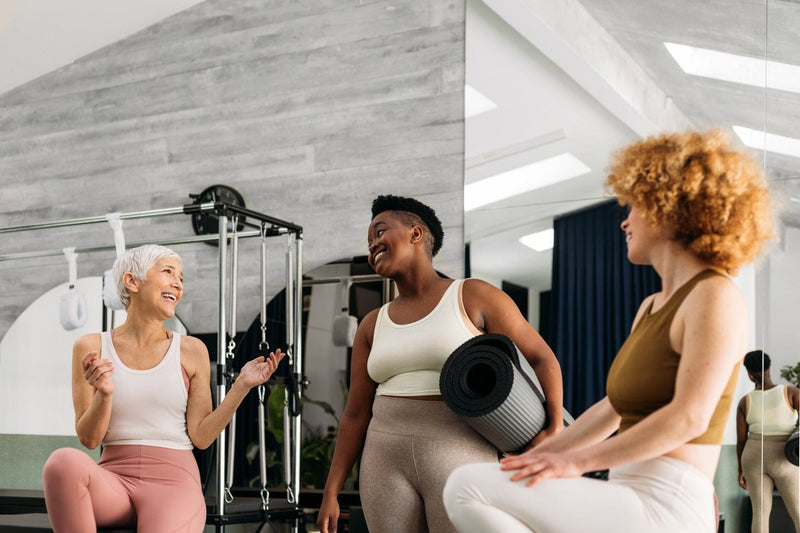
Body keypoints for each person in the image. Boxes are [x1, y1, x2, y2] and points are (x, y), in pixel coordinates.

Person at [442, 130, 774, 533]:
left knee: (466, 486)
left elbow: (689, 417)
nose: (625, 220)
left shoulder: (715, 294)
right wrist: (545, 452)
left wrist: (573, 463)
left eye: (634, 206)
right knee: (484, 483)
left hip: (669, 502)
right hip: (626, 491)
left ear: (668, 208)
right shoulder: (650, 307)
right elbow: (610, 409)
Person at [316, 195, 563, 533]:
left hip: (460, 449)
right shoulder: (372, 324)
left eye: (380, 231)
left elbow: (541, 358)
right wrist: (332, 490)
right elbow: (356, 413)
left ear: (416, 234)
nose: (372, 244)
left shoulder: (473, 295)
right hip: (383, 458)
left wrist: (554, 427)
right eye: (369, 240)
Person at [42, 244, 285, 532]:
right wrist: (104, 395)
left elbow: (202, 437)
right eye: (168, 272)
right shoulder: (91, 347)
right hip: (114, 482)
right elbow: (90, 439)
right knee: (62, 463)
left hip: (173, 483)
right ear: (132, 281)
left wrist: (242, 385)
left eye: (181, 277)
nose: (178, 283)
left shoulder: (192, 350)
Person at [736, 350, 800, 533]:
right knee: (798, 511)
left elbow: (741, 441)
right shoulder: (791, 393)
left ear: (749, 374)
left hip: (753, 455)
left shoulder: (744, 402)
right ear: (769, 368)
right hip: (784, 456)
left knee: (760, 513)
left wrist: (740, 469)